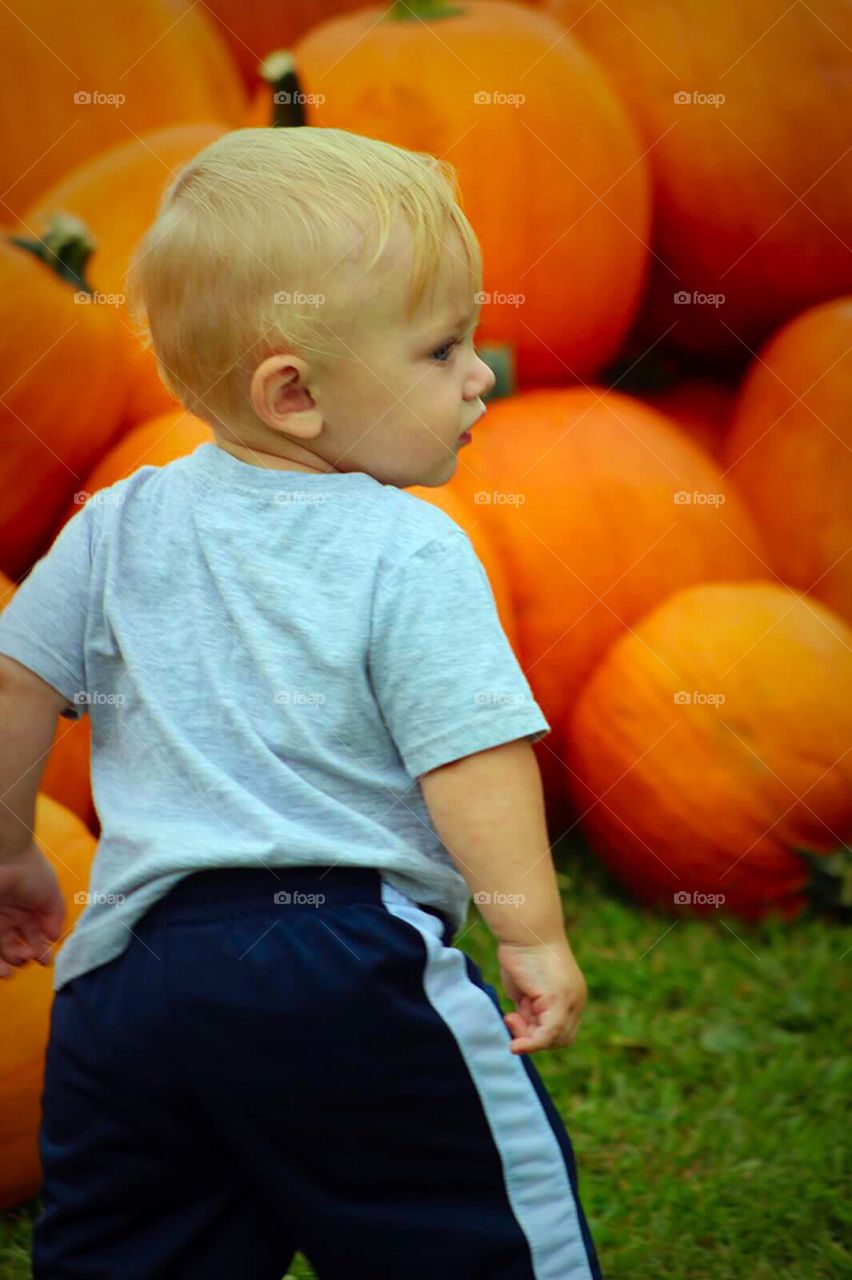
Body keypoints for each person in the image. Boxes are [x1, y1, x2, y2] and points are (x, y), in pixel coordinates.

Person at [0, 126, 604, 1279]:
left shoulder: (115, 522)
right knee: (469, 1234)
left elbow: (11, 679)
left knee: (140, 1249)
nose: (482, 373)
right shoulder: (407, 546)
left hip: (126, 985)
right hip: (341, 969)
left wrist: (9, 851)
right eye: (440, 350)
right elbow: (472, 752)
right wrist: (528, 928)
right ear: (296, 393)